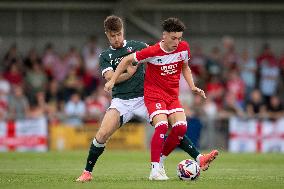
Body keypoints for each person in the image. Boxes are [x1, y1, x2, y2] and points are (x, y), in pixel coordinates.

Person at [105, 17, 218, 180]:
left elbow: (185, 66)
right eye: (173, 38)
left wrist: (192, 86)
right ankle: (154, 170)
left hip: (172, 96)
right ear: (164, 35)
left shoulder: (184, 48)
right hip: (154, 96)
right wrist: (113, 80)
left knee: (180, 128)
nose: (177, 42)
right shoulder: (152, 51)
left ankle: (162, 161)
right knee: (162, 126)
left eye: (179, 38)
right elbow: (126, 60)